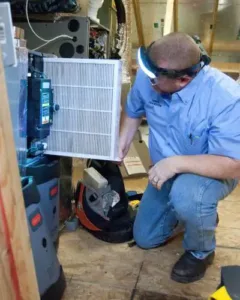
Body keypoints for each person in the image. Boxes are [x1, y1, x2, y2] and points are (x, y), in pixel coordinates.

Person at [119, 32, 240, 284]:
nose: (146, 79)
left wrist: (174, 163)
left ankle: (201, 251)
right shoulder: (151, 73)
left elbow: (232, 165)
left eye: (153, 77)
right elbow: (133, 111)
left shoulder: (226, 98)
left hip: (210, 171)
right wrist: (120, 147)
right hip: (166, 168)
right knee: (145, 238)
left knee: (189, 197)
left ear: (183, 79)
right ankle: (196, 217)